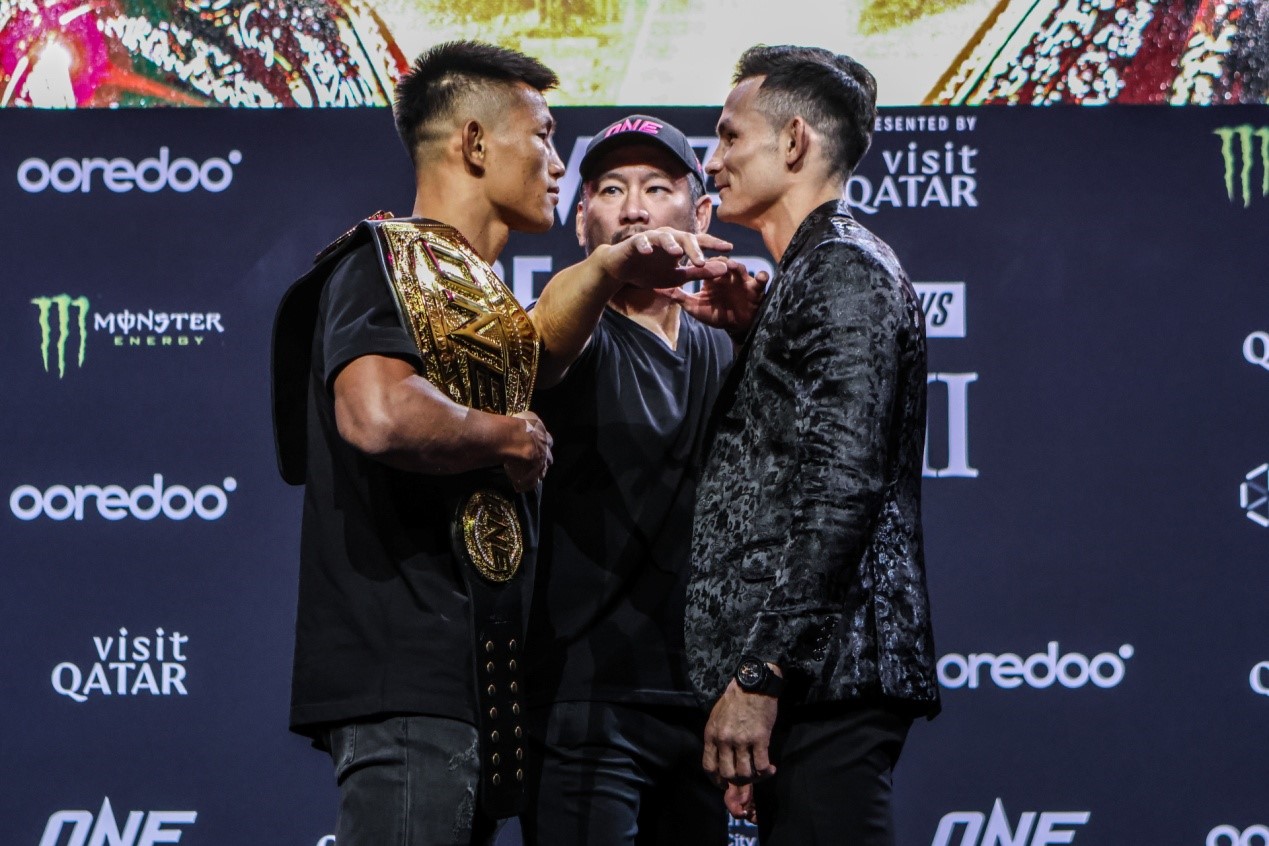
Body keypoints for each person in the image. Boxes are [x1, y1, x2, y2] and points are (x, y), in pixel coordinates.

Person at [269, 41, 730, 846]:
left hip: (472, 693)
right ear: (476, 143)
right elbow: (374, 413)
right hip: (408, 683)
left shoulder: (476, 295)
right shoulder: (382, 262)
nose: (556, 163)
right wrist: (501, 434)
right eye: (543, 136)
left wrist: (621, 268)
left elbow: (540, 348)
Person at [682, 45, 941, 844]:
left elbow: (840, 484)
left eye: (729, 137)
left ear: (793, 141)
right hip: (812, 680)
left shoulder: (841, 268)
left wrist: (761, 673)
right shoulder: (811, 272)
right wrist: (755, 336)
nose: (711, 162)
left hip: (827, 676)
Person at [519, 115, 764, 846]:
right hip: (582, 701)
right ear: (580, 222)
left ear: (702, 214)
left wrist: (752, 333)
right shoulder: (563, 331)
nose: (632, 209)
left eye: (657, 188)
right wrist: (606, 273)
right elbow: (538, 353)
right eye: (609, 190)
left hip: (705, 707)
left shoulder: (724, 341)